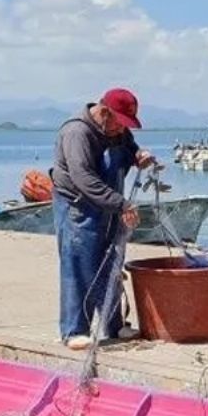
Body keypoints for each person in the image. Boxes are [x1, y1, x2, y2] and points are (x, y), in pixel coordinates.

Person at [51, 88, 156, 350]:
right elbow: (83, 178)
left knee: (111, 263)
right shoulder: (78, 133)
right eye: (120, 124)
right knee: (79, 266)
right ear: (104, 113)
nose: (122, 131)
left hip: (108, 205)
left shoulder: (118, 131)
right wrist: (121, 203)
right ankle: (74, 330)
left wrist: (139, 157)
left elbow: (130, 148)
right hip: (77, 207)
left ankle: (114, 324)